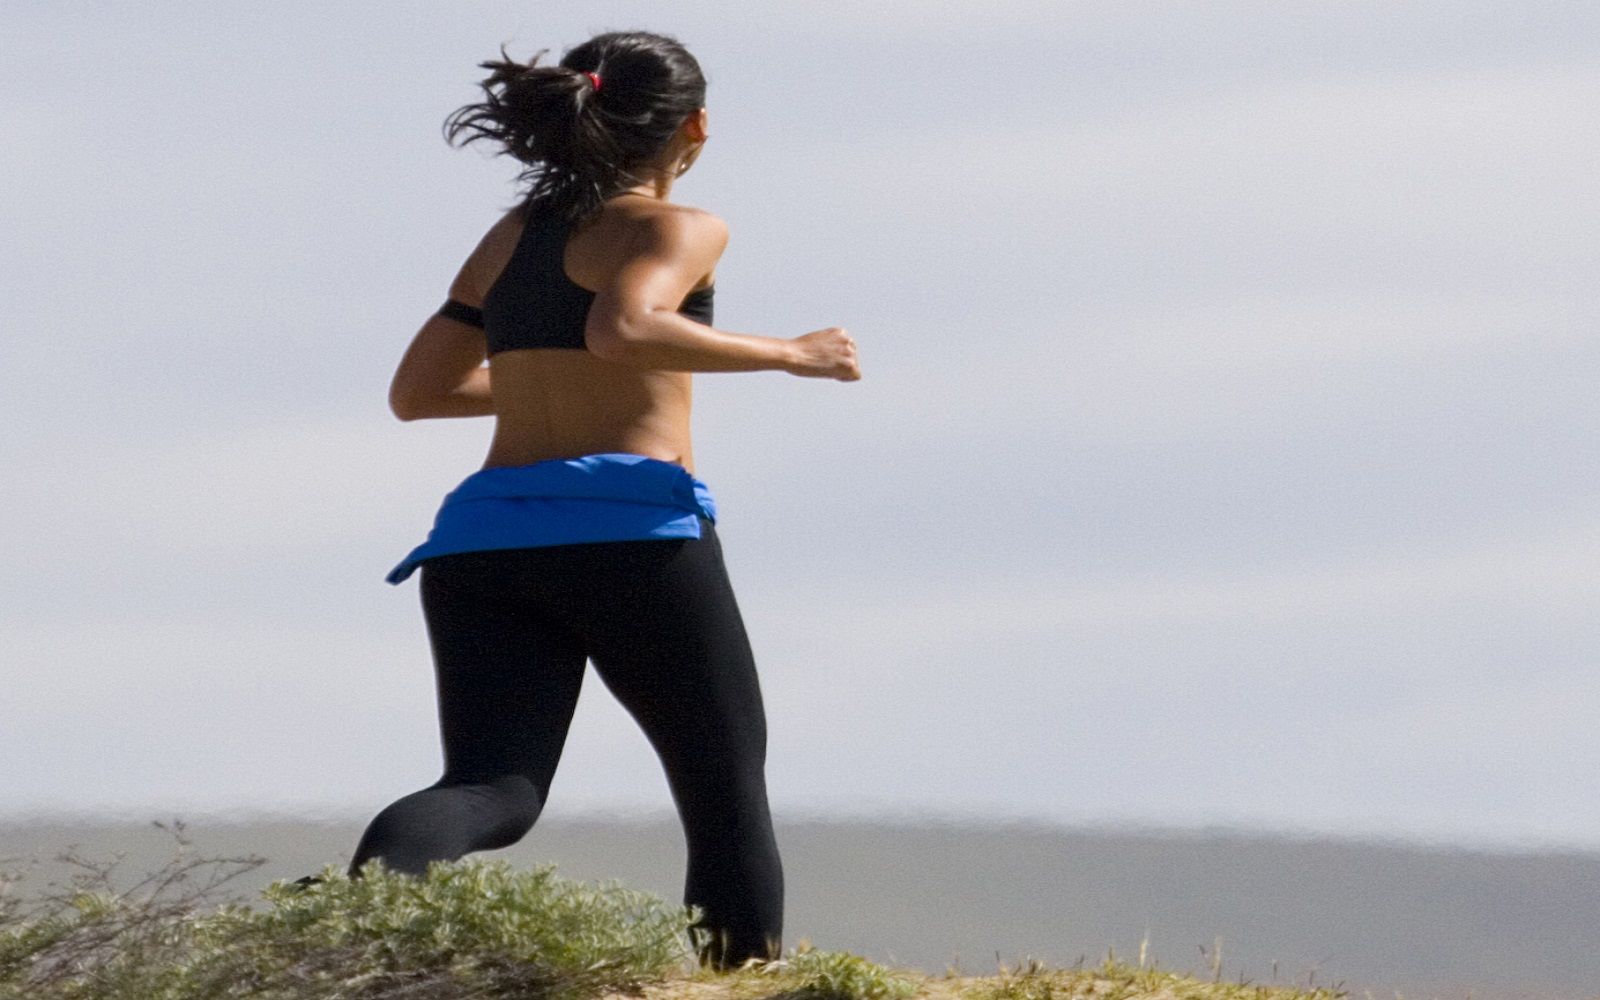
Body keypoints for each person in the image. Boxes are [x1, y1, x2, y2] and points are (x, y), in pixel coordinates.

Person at [343, 30, 859, 970]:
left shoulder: (511, 237)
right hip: (631, 536)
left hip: (480, 546)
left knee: (493, 789)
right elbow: (623, 328)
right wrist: (794, 353)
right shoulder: (678, 226)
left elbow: (419, 393)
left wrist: (552, 379)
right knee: (723, 789)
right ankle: (741, 983)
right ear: (693, 127)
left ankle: (362, 919)